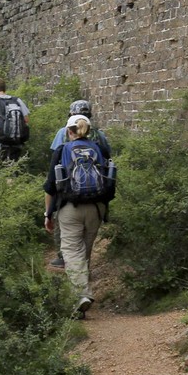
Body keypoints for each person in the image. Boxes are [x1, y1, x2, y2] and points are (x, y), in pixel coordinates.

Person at [44, 114, 114, 318]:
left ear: (69, 131)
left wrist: (48, 214)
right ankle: (78, 302)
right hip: (96, 207)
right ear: (88, 130)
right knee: (84, 252)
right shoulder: (99, 149)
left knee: (72, 252)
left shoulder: (62, 149)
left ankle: (81, 295)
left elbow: (50, 186)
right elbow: (109, 178)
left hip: (70, 208)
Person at [47, 99, 112, 269]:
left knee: (65, 228)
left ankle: (64, 258)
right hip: (96, 197)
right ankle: (83, 267)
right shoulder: (99, 135)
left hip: (68, 194)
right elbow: (107, 160)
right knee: (87, 238)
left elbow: (55, 161)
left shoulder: (63, 132)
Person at [0, 77, 30, 162]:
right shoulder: (17, 100)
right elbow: (26, 120)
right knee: (13, 172)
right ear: (4, 89)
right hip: (16, 146)